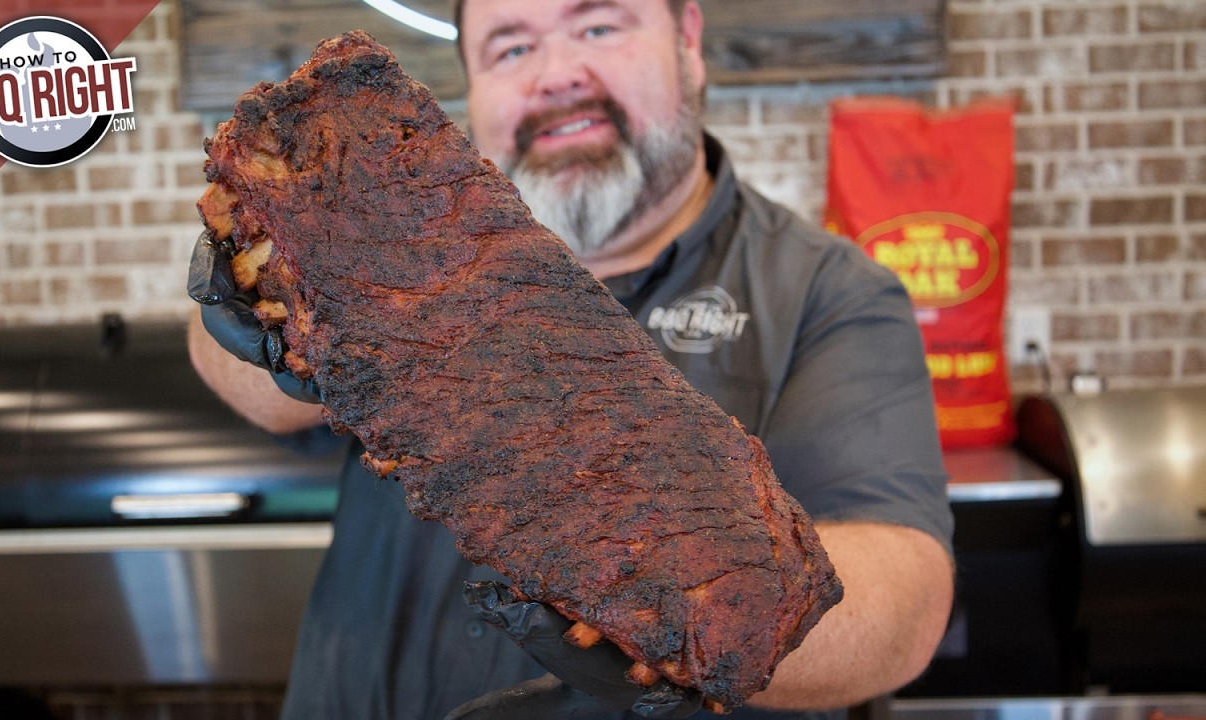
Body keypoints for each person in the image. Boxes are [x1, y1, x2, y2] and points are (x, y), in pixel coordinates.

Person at [186, 0, 956, 718]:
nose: (556, 74)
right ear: (475, 83)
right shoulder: (396, 235)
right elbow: (241, 378)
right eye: (511, 45)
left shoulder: (830, 290)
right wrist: (282, 336)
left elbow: (905, 601)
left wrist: (700, 616)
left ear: (687, 39)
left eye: (597, 27)